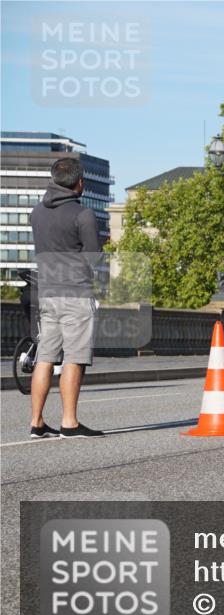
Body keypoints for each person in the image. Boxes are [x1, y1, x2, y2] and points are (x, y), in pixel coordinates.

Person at [28, 157, 105, 439]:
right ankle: (69, 423)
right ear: (80, 182)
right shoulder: (82, 214)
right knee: (75, 357)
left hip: (47, 293)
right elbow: (93, 259)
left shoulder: (36, 212)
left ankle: (36, 422)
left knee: (45, 357)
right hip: (75, 294)